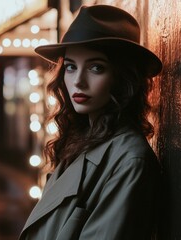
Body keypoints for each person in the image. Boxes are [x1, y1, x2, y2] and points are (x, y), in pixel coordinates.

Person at [19, 4, 163, 240]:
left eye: (96, 67)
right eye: (70, 67)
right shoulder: (79, 139)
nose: (78, 81)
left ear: (122, 76)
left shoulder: (130, 159)